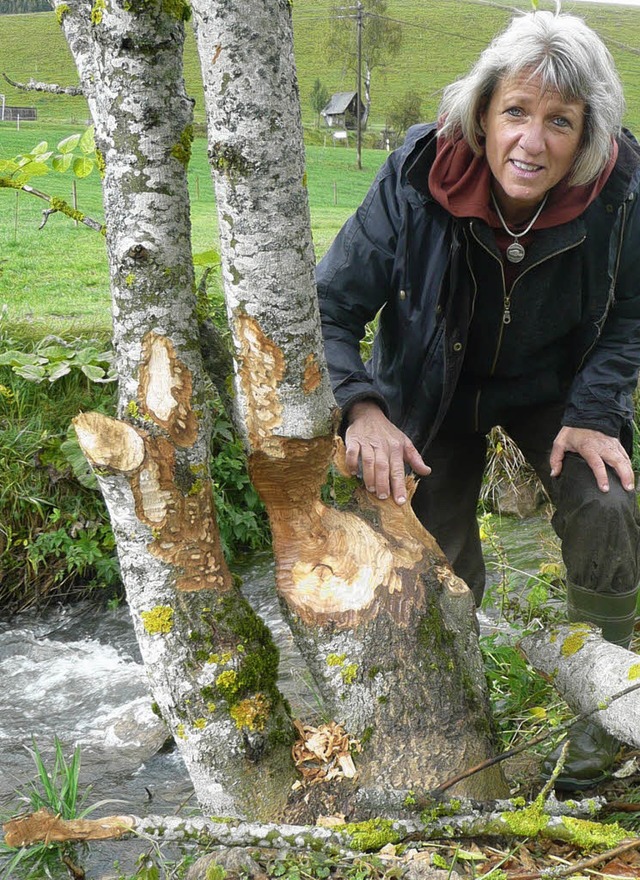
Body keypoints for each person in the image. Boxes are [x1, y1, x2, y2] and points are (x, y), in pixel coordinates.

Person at [316, 10, 640, 790]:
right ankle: (462, 752)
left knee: (608, 502)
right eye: (516, 112)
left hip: (553, 389)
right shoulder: (418, 176)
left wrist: (595, 412)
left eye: (559, 121)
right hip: (431, 384)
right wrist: (363, 409)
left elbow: (631, 312)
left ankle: (599, 740)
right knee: (437, 559)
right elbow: (329, 306)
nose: (532, 141)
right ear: (484, 111)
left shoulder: (622, 189)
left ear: (587, 133)